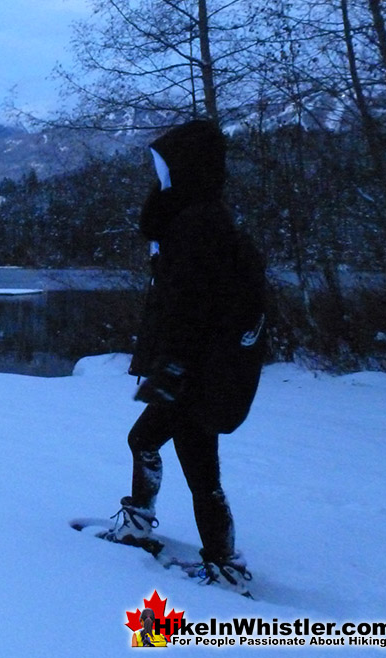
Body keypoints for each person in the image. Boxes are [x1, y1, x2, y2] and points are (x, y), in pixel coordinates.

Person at [104, 119, 257, 593]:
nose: (159, 174)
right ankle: (213, 553)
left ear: (186, 168)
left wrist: (171, 369)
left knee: (175, 453)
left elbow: (193, 307)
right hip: (197, 370)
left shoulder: (199, 224)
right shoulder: (197, 220)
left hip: (194, 373)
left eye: (165, 165)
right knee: (187, 458)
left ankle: (218, 560)